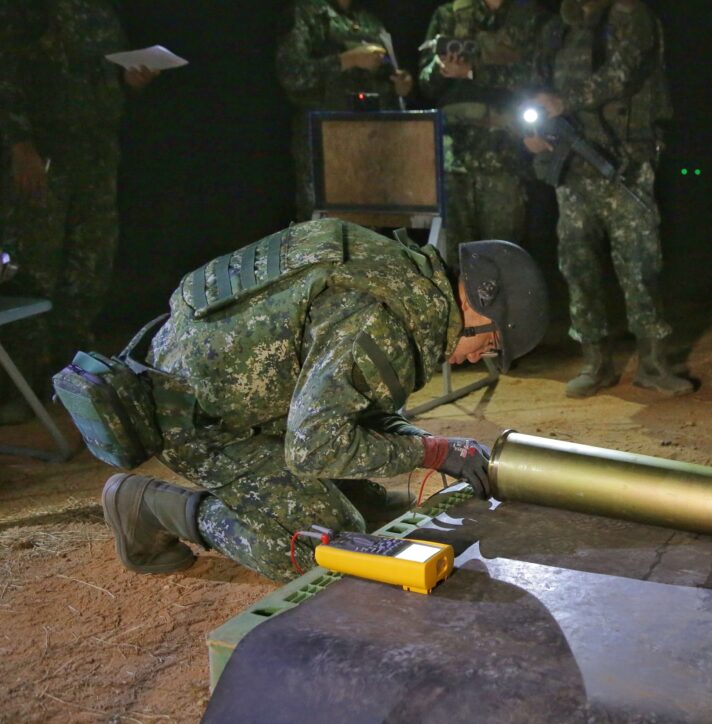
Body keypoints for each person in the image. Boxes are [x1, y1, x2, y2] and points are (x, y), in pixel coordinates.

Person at [98, 219, 549, 581]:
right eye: (491, 344)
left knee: (366, 517)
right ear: (476, 305)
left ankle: (353, 500)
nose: (479, 356)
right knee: (327, 549)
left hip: (238, 395)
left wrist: (443, 449)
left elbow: (353, 402)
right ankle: (149, 506)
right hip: (194, 422)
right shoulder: (386, 322)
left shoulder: (404, 282)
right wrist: (433, 451)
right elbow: (313, 447)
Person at [0, 0, 155, 425]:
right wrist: (20, 146)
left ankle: (67, 384)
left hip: (96, 154)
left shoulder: (99, 9)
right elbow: (5, 74)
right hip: (43, 157)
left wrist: (131, 81)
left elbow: (104, 76)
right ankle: (22, 391)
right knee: (35, 272)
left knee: (88, 271)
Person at [525, 0, 691, 398]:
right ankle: (595, 362)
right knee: (577, 264)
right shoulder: (557, 29)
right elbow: (534, 87)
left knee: (640, 265)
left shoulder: (632, 16)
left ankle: (653, 363)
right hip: (571, 165)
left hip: (625, 164)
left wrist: (564, 102)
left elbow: (622, 75)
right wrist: (531, 130)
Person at [418, 0, 548, 270]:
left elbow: (538, 75)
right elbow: (425, 84)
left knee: (503, 259)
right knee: (457, 262)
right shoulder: (448, 15)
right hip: (454, 160)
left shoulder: (529, 16)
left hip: (506, 156)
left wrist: (472, 72)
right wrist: (441, 69)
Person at [276, 0, 414, 221]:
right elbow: (292, 74)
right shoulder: (308, 14)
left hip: (369, 147)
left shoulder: (370, 21)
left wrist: (400, 86)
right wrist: (347, 60)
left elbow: (386, 78)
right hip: (324, 145)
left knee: (367, 229)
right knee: (321, 232)